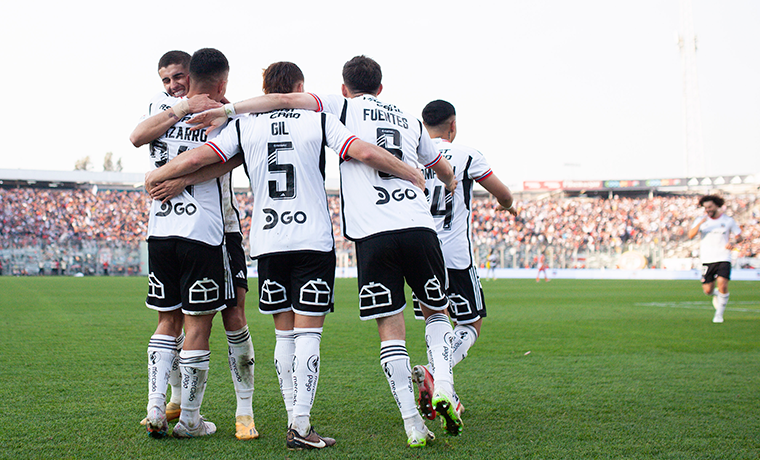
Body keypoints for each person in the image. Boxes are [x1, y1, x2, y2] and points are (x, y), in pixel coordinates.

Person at [146, 60, 427, 450]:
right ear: (298, 86)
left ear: (264, 88)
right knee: (308, 333)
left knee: (284, 335)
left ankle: (290, 415)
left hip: (268, 241)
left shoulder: (244, 125)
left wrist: (158, 176)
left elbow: (199, 159)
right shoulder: (319, 118)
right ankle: (300, 424)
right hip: (311, 238)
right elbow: (362, 150)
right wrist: (409, 172)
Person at [132, 50, 258, 440]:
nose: (173, 85)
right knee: (186, 321)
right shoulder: (164, 107)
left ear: (195, 74)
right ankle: (177, 407)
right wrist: (181, 106)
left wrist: (179, 179)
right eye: (166, 80)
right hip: (197, 232)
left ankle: (244, 410)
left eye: (179, 77)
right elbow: (137, 136)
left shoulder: (223, 111)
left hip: (223, 228)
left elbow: (235, 156)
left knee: (232, 313)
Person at [411, 99, 517, 421]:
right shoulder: (467, 154)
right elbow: (503, 192)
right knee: (471, 322)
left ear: (423, 124)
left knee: (435, 322)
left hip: (421, 254)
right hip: (456, 255)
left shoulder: (411, 154)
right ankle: (434, 373)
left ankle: (447, 390)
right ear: (452, 125)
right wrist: (507, 205)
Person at [688, 195, 742, 323]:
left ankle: (719, 315)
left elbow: (739, 236)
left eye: (710, 207)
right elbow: (690, 235)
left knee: (722, 284)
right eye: (705, 207)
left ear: (717, 206)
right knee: (708, 290)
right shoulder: (701, 220)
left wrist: (733, 241)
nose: (708, 210)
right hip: (707, 259)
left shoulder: (728, 220)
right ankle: (716, 294)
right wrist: (700, 224)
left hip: (724, 257)